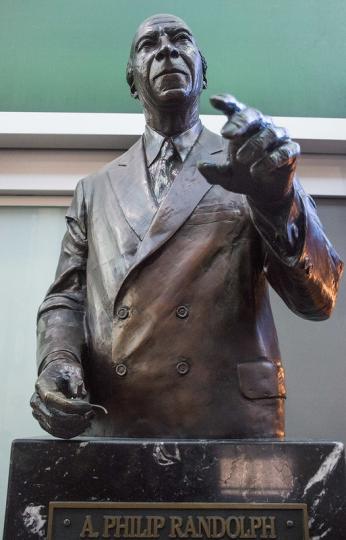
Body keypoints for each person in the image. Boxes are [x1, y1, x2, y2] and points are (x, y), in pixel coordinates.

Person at [30, 14, 343, 440]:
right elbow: (66, 299)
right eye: (149, 45)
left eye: (181, 40)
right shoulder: (94, 190)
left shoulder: (252, 163)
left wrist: (275, 201)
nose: (167, 50)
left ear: (202, 69)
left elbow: (318, 298)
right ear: (132, 80)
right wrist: (58, 360)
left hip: (229, 424)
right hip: (123, 418)